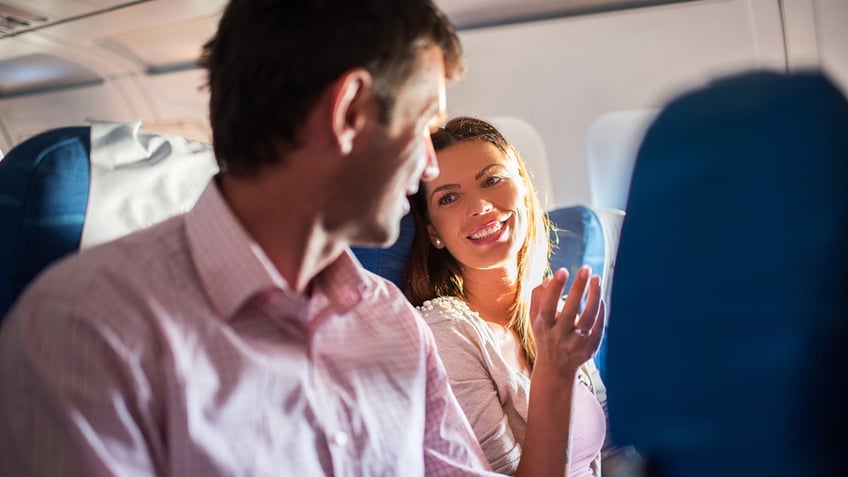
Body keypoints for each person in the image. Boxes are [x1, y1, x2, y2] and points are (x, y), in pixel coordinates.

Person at [0, 2, 601, 477]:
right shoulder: (91, 327)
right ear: (348, 114)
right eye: (423, 129)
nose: (425, 168)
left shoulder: (391, 322)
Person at [404, 116, 609, 476]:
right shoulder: (445, 335)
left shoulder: (553, 311)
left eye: (492, 180)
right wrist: (554, 370)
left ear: (525, 192)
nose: (480, 205)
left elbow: (602, 457)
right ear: (434, 232)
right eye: (449, 197)